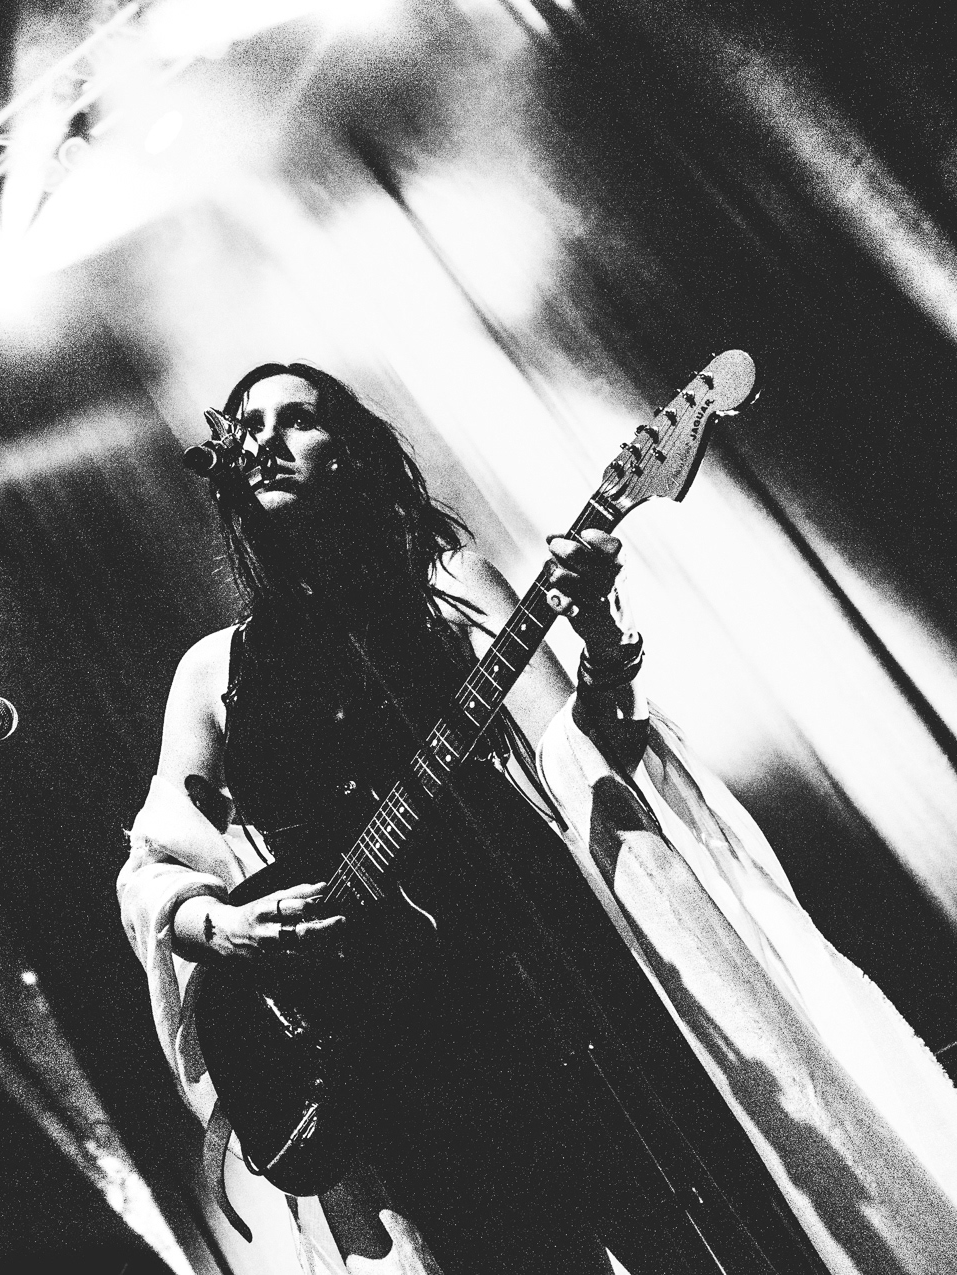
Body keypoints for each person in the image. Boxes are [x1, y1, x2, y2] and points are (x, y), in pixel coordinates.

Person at [117, 363, 957, 1274]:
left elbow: (579, 756)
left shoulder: (445, 583)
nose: (267, 442)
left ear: (348, 452)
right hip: (389, 1041)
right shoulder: (215, 671)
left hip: (532, 962)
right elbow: (155, 865)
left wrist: (601, 635)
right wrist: (225, 927)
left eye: (298, 421)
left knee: (685, 1225)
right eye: (249, 425)